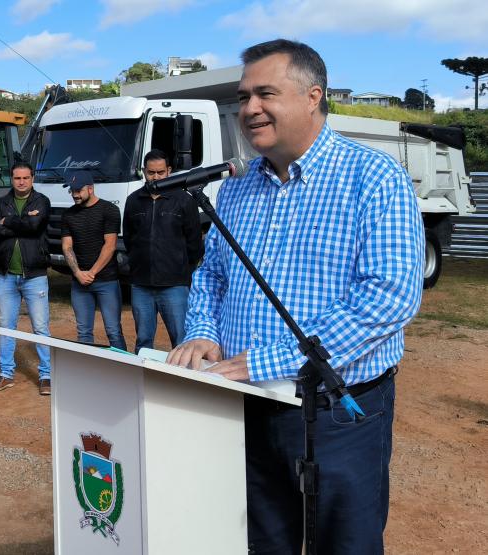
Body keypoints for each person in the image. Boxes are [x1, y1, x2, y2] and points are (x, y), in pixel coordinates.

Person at [166, 39, 424, 554]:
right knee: (259, 539)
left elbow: (389, 295)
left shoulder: (373, 178)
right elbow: (213, 273)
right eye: (244, 98)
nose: (249, 110)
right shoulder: (236, 187)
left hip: (335, 413)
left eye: (265, 94)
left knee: (343, 542)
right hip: (242, 401)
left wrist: (269, 361)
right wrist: (201, 332)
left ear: (313, 96)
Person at [123, 149, 203, 354]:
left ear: (169, 171)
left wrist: (182, 269)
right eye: (151, 172)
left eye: (160, 172)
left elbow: (194, 242)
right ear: (144, 172)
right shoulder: (133, 200)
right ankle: (144, 382)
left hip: (174, 285)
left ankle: (184, 383)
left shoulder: (184, 200)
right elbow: (130, 238)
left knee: (181, 340)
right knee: (143, 341)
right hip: (141, 284)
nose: (156, 177)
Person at [0, 162, 52, 395]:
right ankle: (6, 374)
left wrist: (8, 221)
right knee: (6, 327)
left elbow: (35, 227)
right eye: (17, 178)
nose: (21, 182)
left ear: (32, 179)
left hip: (34, 275)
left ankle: (47, 376)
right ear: (11, 179)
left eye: (26, 178)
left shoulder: (41, 201)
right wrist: (21, 222)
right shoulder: (0, 202)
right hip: (6, 276)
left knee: (41, 327)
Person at [60, 169, 126, 351]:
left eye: (78, 190)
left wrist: (92, 273)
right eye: (72, 191)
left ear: (90, 189)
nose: (74, 195)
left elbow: (110, 245)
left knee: (113, 330)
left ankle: (124, 370)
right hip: (79, 282)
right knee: (83, 332)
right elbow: (66, 246)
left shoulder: (109, 210)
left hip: (107, 281)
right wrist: (78, 273)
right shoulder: (69, 215)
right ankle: (87, 374)